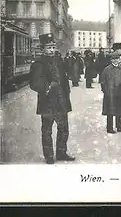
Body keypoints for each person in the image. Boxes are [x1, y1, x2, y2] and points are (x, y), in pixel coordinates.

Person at [29, 33, 75, 164]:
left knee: (64, 129)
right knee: (47, 130)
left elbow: (65, 76)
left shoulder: (58, 60)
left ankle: (61, 153)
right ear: (42, 48)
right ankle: (49, 156)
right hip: (47, 102)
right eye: (48, 47)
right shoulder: (38, 63)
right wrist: (47, 86)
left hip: (61, 101)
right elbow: (34, 83)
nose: (51, 50)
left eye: (53, 47)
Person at [100, 51, 121, 134]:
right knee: (110, 111)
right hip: (110, 94)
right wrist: (106, 91)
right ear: (111, 60)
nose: (115, 61)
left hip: (120, 93)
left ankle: (119, 126)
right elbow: (102, 81)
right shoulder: (107, 69)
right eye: (113, 59)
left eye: (117, 59)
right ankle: (109, 127)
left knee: (119, 111)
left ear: (119, 60)